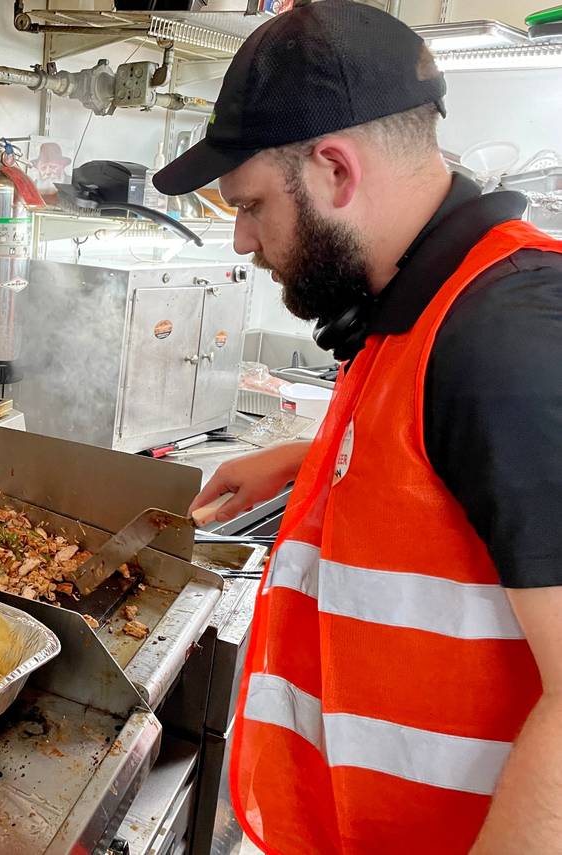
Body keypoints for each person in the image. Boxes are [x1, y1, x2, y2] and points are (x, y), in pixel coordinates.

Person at [152, 1, 562, 853]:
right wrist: (311, 462)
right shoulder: (415, 305)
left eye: (253, 203)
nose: (241, 239)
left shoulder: (508, 336)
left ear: (335, 170)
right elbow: (450, 477)